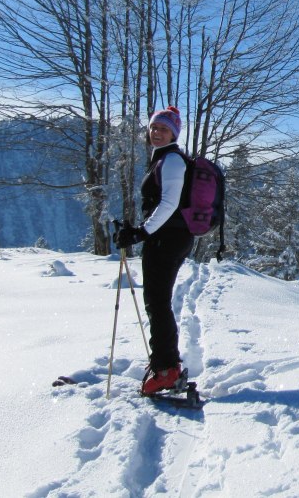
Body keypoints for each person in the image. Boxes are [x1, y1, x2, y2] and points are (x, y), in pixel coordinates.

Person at [113, 106, 194, 394]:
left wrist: (141, 232)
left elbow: (169, 204)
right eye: (153, 128)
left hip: (166, 239)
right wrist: (138, 230)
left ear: (174, 133)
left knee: (157, 302)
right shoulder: (162, 159)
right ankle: (166, 364)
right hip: (168, 238)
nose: (156, 132)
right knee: (157, 301)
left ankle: (166, 369)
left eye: (163, 128)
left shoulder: (171, 160)